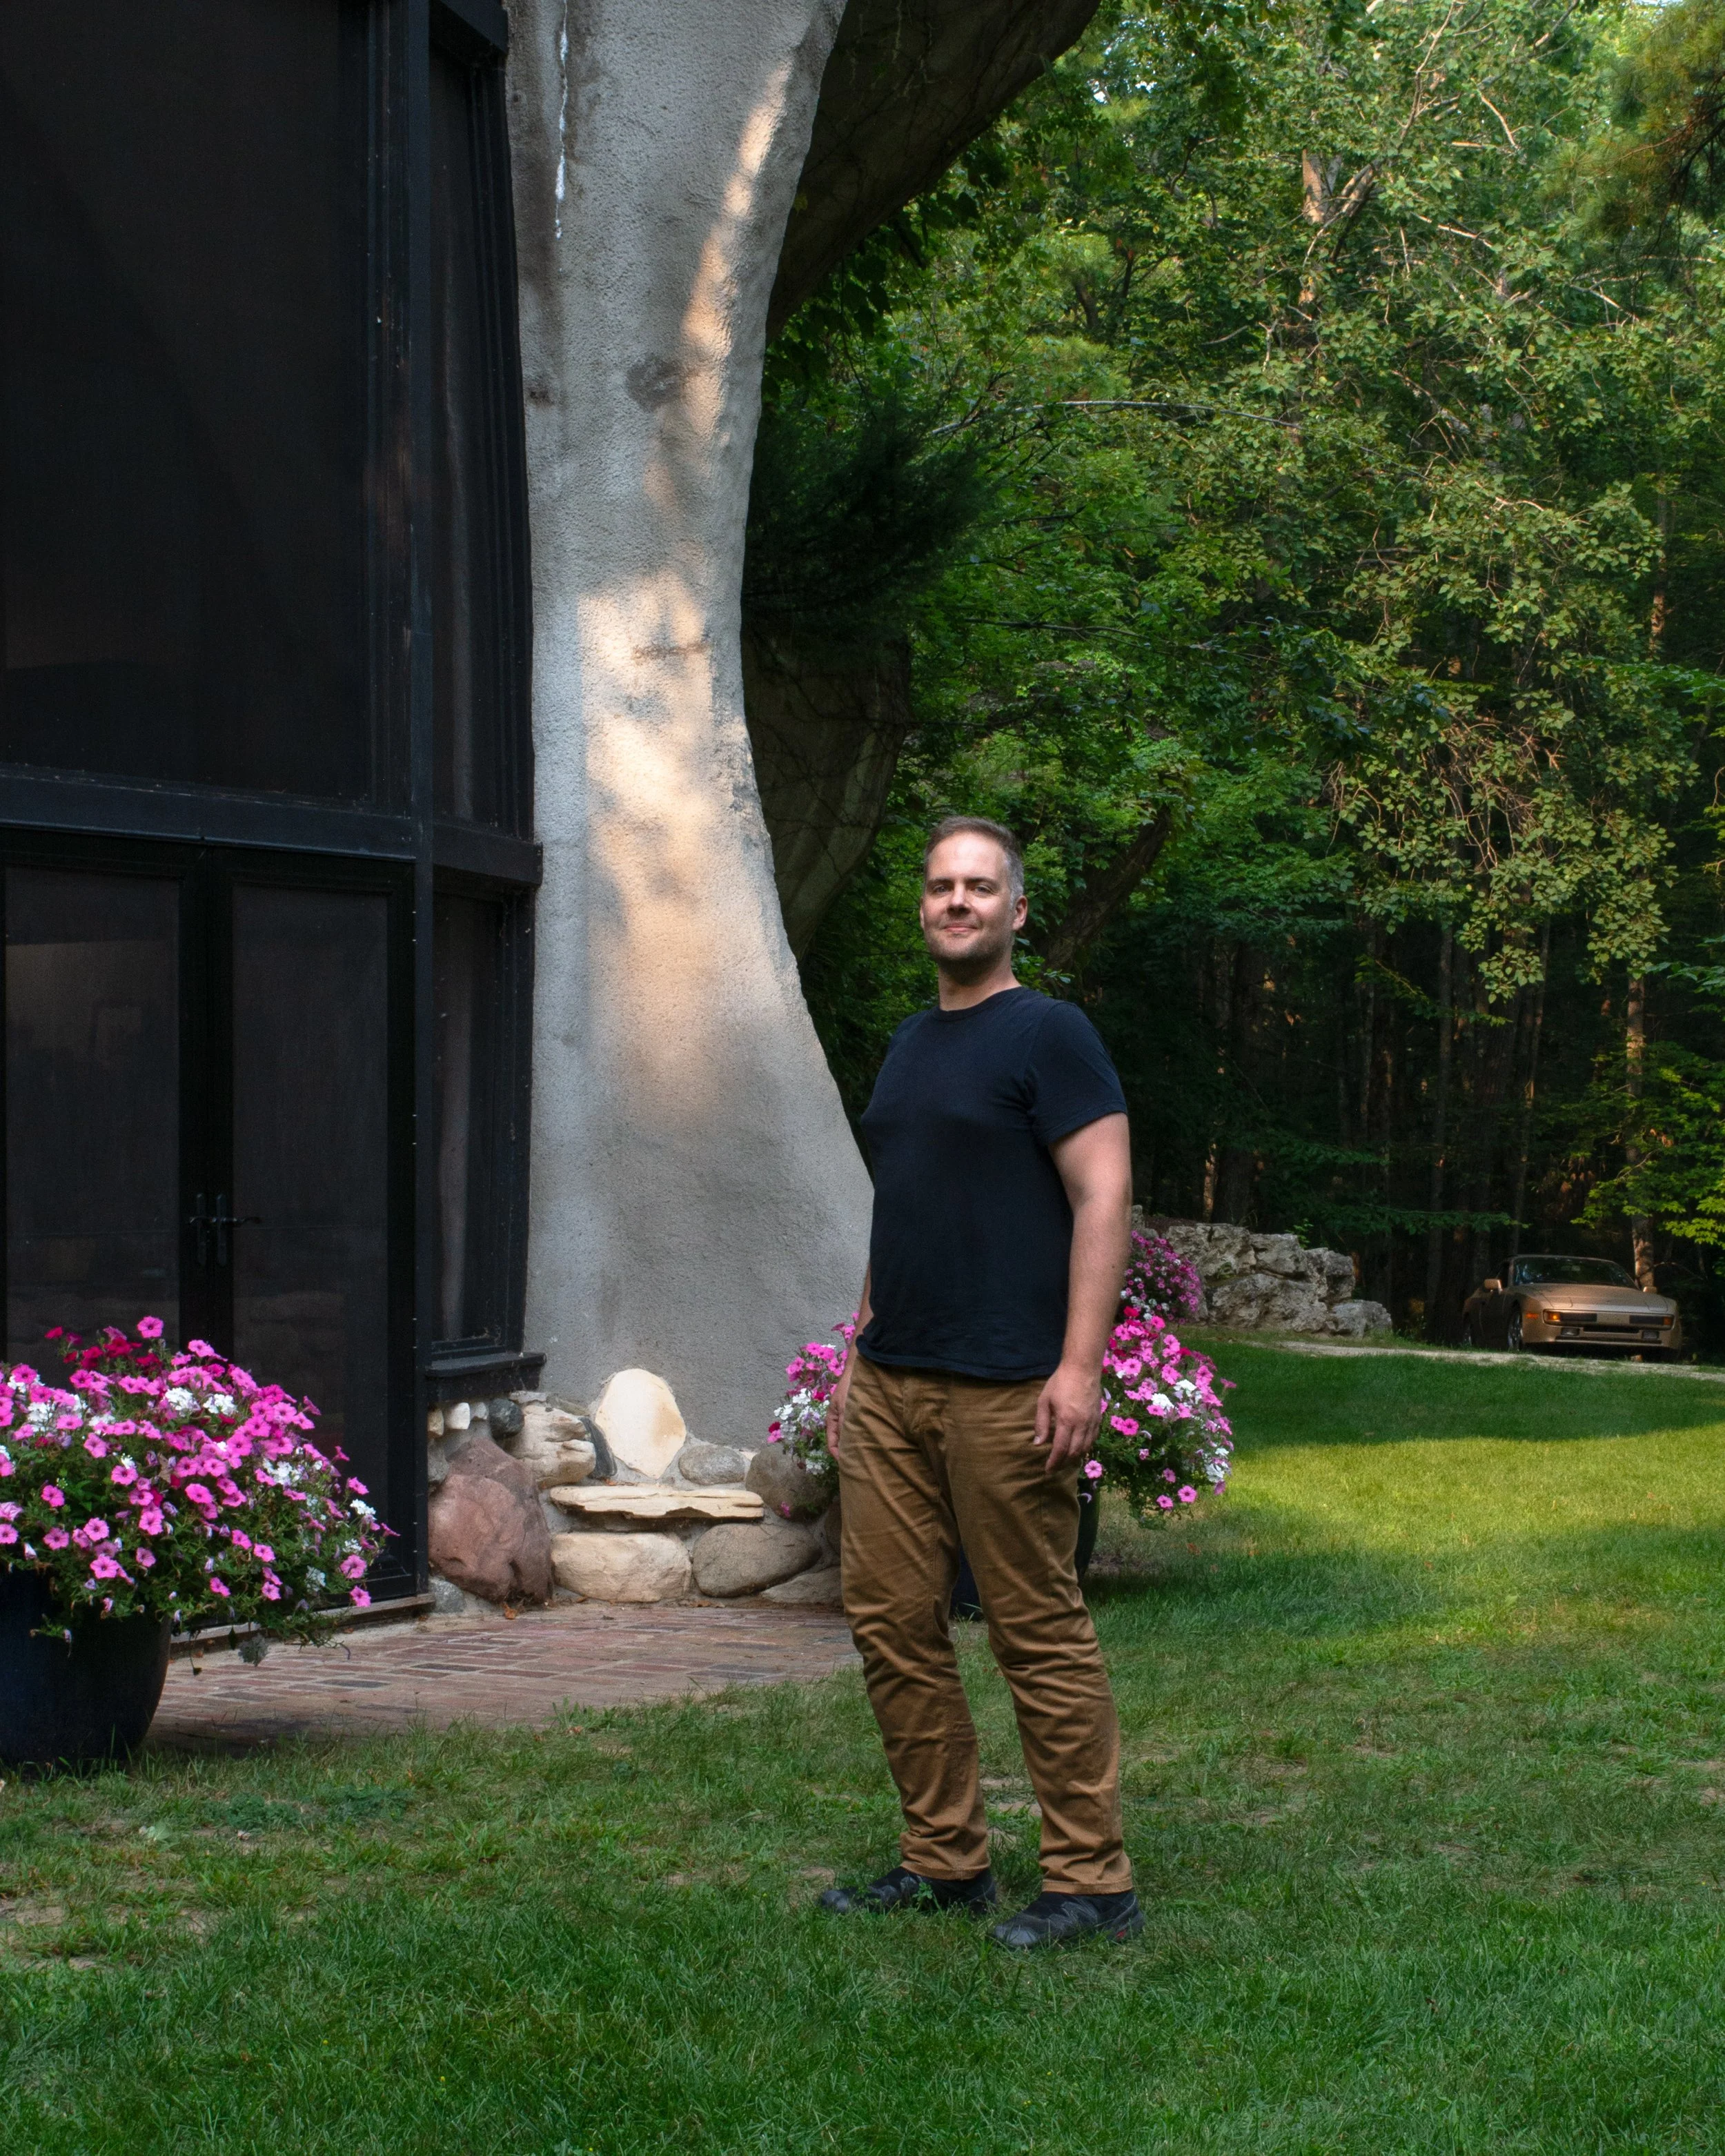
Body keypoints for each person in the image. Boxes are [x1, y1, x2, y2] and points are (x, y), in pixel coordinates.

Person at [820, 815, 1141, 1951]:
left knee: (1033, 1630)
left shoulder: (1049, 1035)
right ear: (924, 907)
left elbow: (1104, 1195)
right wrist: (856, 1352)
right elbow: (900, 1206)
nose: (957, 902)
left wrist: (1078, 1367)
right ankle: (944, 1861)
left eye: (980, 887)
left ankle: (1092, 1883)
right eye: (941, 885)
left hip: (1010, 1387)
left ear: (1015, 910)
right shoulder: (911, 1042)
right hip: (896, 1382)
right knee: (893, 1628)